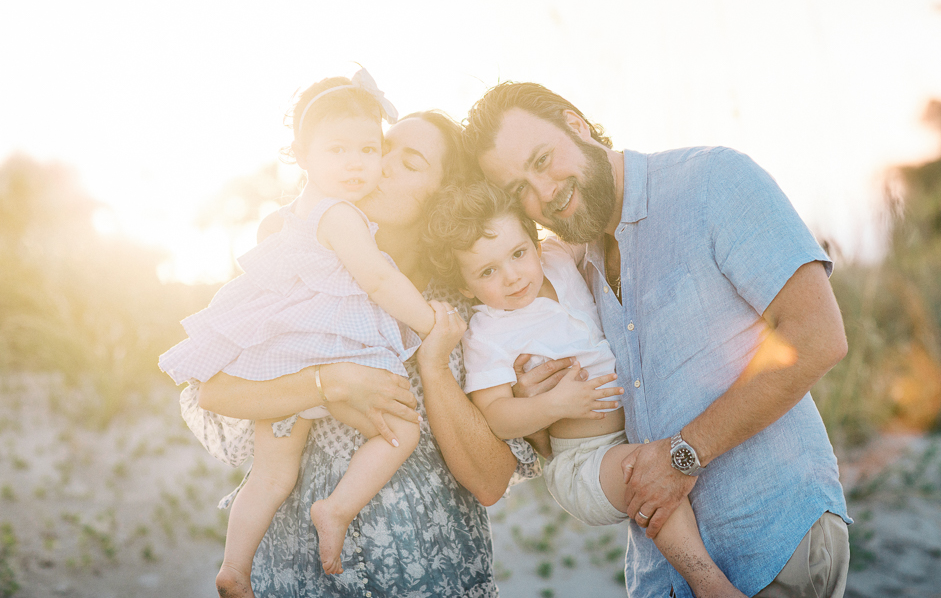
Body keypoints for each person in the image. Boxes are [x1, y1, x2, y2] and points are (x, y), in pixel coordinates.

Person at [462, 82, 852, 598]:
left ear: (576, 123)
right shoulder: (568, 265)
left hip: (771, 540)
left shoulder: (712, 181)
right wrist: (542, 410)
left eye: (542, 158)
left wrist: (684, 454)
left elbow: (818, 336)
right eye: (519, 191)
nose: (544, 191)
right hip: (660, 577)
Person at [184, 108, 568, 597]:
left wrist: (434, 367)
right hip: (299, 578)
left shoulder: (468, 310)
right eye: (381, 148)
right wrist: (331, 382)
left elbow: (491, 482)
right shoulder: (304, 275)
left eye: (411, 162)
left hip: (433, 576)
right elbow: (215, 391)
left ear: (442, 194)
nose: (380, 165)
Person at [162, 69, 453, 595]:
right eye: (339, 150)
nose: (359, 164)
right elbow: (379, 278)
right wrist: (430, 323)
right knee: (400, 431)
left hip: (278, 359)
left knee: (272, 474)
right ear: (302, 154)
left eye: (369, 149)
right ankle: (336, 510)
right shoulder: (341, 215)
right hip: (324, 349)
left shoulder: (289, 216)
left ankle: (235, 566)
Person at [423, 180, 747, 597]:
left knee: (661, 464)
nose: (511, 277)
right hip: (582, 463)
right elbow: (498, 417)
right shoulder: (488, 332)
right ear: (466, 286)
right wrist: (556, 404)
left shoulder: (556, 260)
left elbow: (592, 220)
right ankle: (709, 584)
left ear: (534, 243)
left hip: (633, 432)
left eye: (518, 254)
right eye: (487, 272)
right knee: (645, 472)